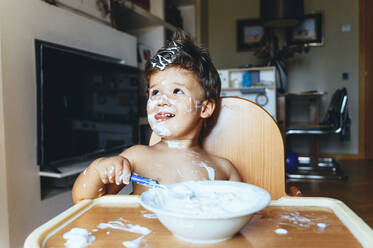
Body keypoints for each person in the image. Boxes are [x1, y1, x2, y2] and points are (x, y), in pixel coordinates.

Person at [72, 31, 241, 204]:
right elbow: (84, 200)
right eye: (155, 92)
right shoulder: (138, 157)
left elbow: (241, 215)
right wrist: (99, 169)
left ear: (205, 108)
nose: (161, 101)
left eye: (177, 91)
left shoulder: (224, 170)